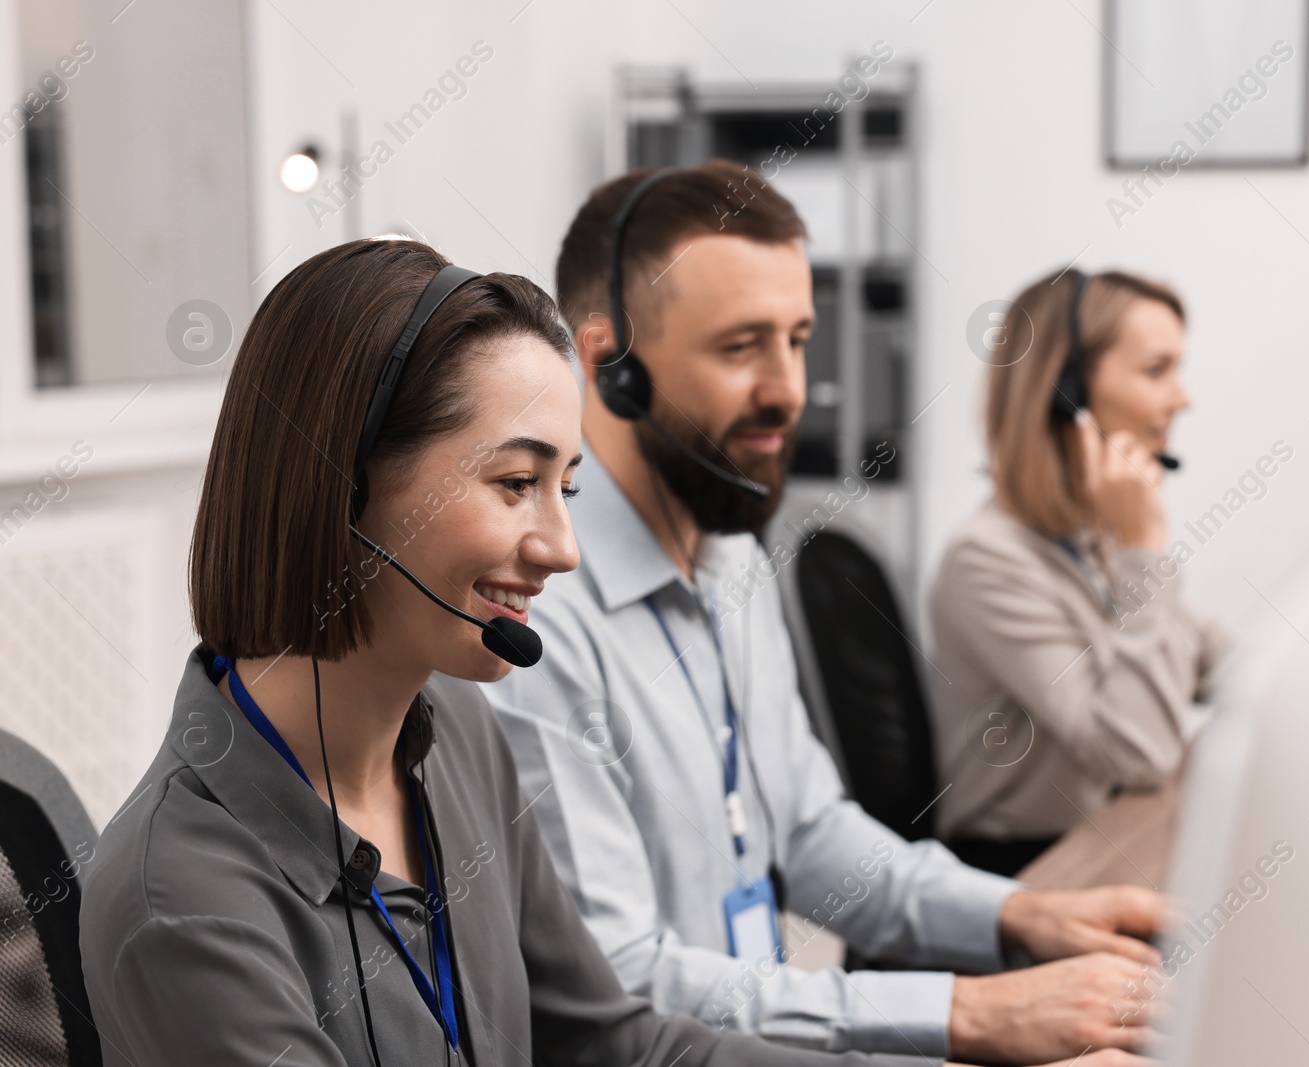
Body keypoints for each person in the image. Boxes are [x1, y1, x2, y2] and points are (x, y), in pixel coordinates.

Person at [75, 237, 1070, 1067]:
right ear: (342, 491)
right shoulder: (185, 904)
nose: (561, 548)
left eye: (569, 487)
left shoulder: (455, 732)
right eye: (515, 483)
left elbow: (610, 1040)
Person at [485, 161, 1165, 1067]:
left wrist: (1024, 917)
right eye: (741, 347)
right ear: (610, 365)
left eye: (798, 339)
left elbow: (807, 831)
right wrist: (975, 1014)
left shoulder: (731, 555)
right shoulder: (539, 621)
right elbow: (620, 987)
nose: (789, 388)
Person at [927, 268, 1228, 878]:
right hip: (1024, 874)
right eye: (1156, 370)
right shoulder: (986, 562)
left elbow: (1214, 662)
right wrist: (1145, 547)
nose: (1183, 398)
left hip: (1095, 844)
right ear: (1069, 395)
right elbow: (1137, 753)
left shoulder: (1088, 538)